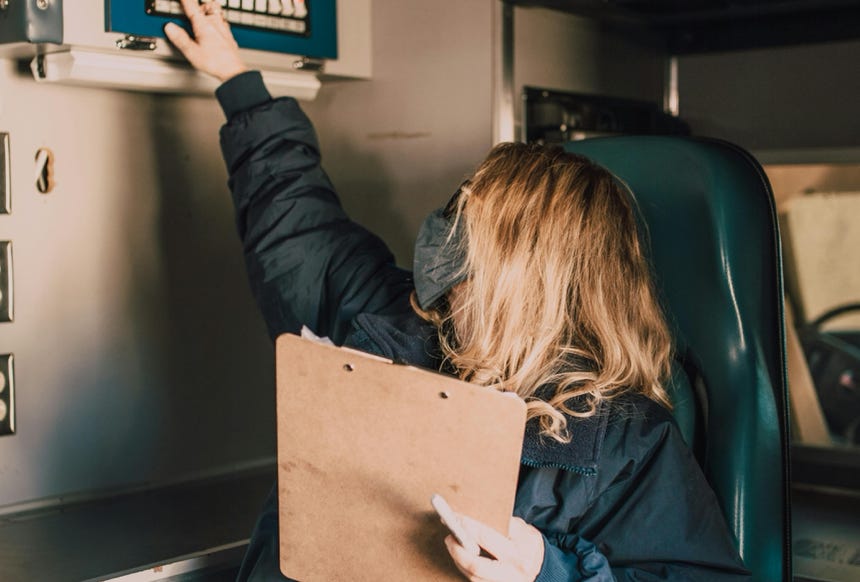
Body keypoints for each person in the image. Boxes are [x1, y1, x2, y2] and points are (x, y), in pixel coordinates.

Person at [165, 1, 750, 580]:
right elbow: (297, 222)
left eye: (472, 230)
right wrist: (238, 81)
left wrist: (550, 573)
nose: (447, 239)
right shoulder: (384, 317)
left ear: (529, 280)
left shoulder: (626, 444)